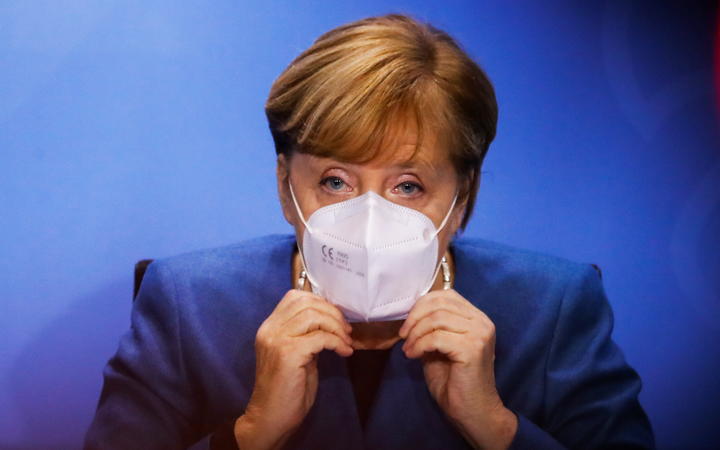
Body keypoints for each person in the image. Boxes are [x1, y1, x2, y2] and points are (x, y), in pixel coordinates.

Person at [84, 13, 654, 450]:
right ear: (286, 187)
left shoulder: (553, 305)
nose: (369, 215)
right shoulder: (187, 302)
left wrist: (500, 429)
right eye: (335, 181)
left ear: (463, 200)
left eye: (408, 185)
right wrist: (251, 434)